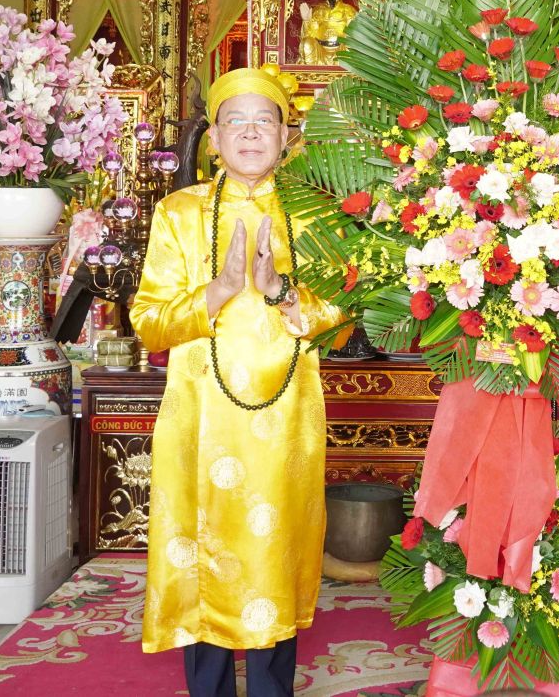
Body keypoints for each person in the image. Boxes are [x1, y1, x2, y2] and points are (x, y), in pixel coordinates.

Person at [134, 67, 348, 697]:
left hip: (286, 424)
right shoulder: (180, 213)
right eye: (236, 122)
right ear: (214, 139)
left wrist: (282, 291)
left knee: (275, 554)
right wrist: (220, 290)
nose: (250, 134)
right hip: (201, 420)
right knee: (201, 550)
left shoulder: (315, 214)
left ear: (287, 136)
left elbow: (341, 323)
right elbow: (148, 323)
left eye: (264, 122)